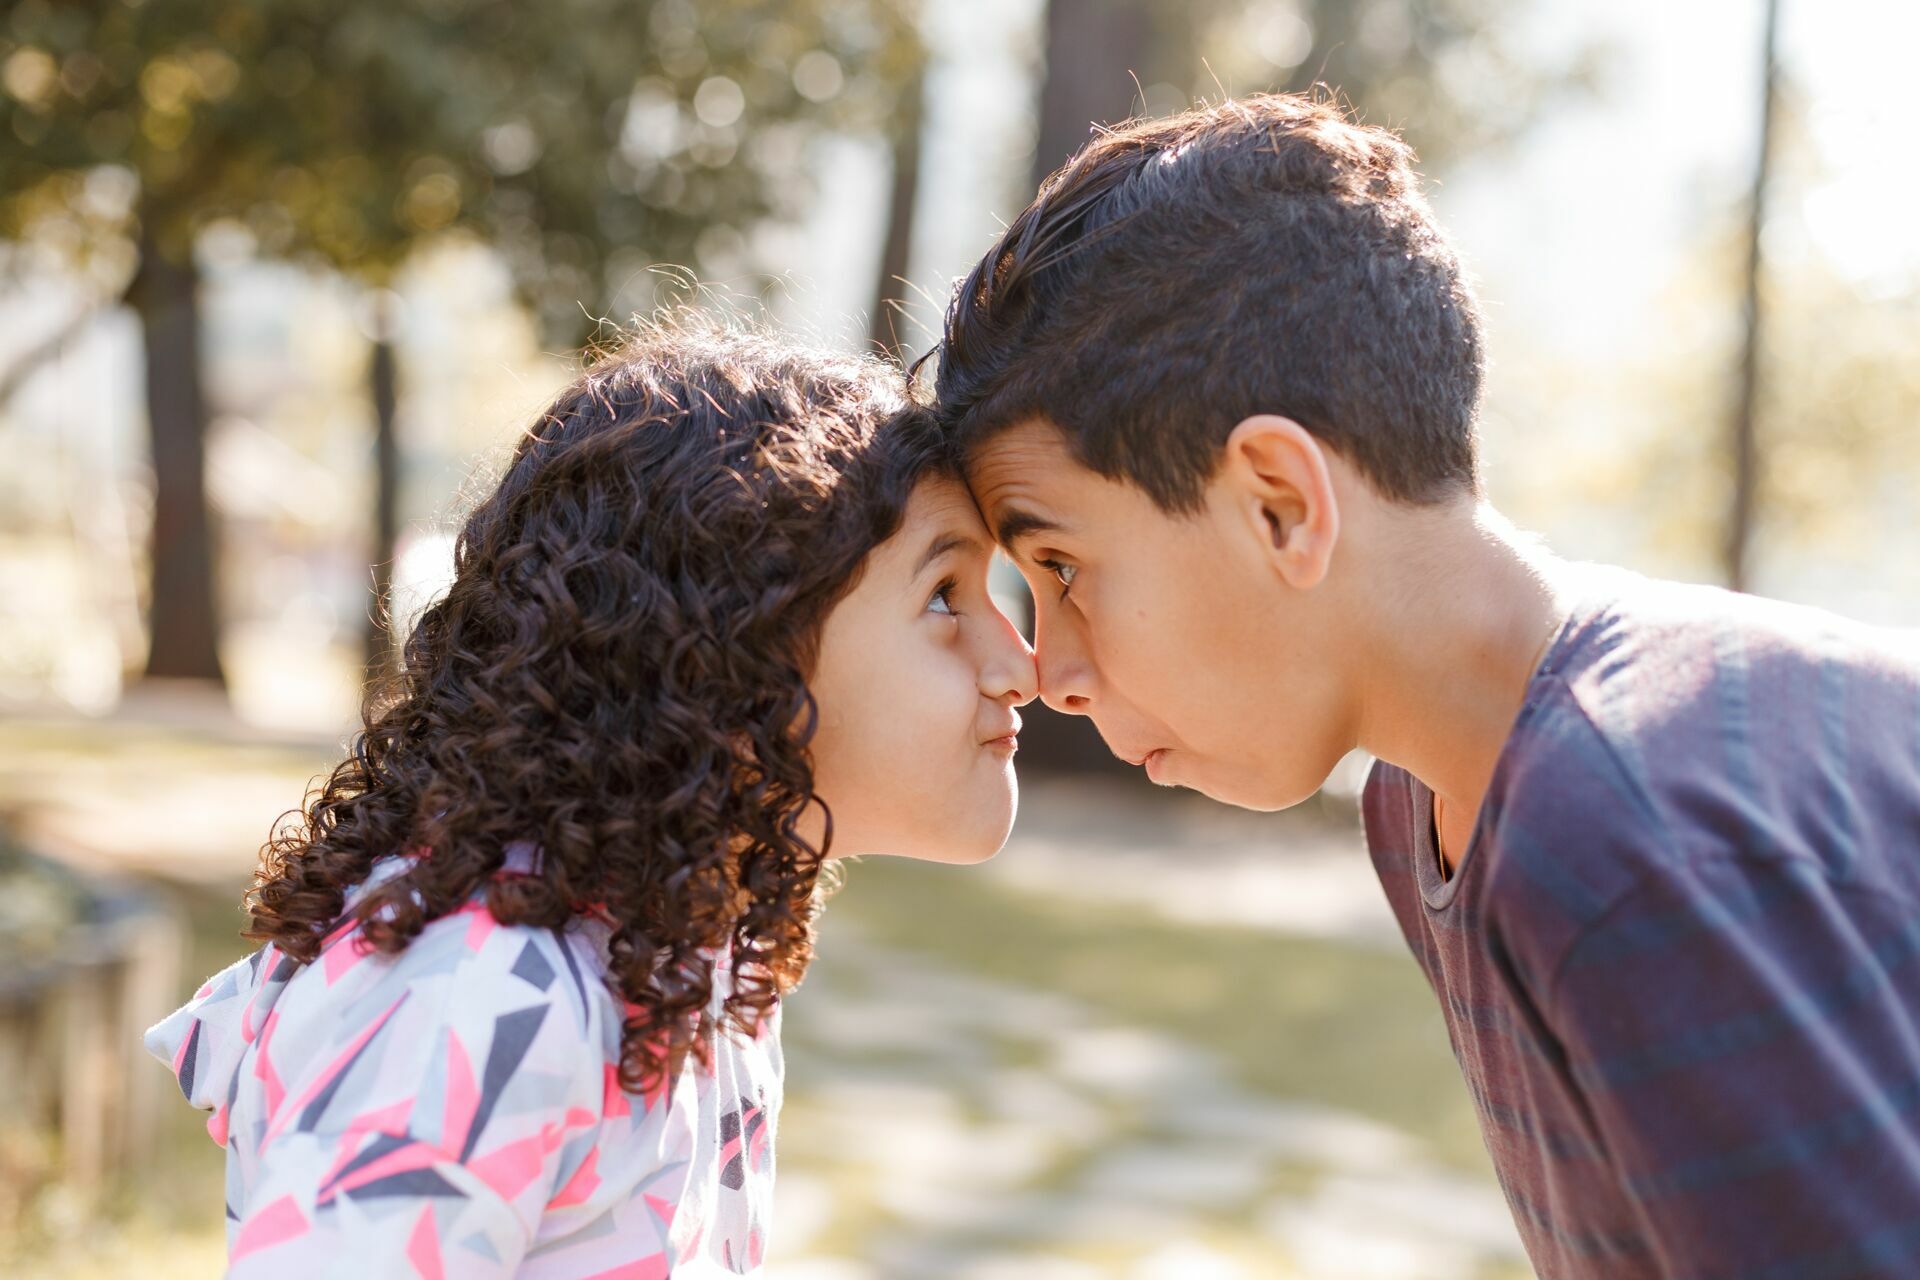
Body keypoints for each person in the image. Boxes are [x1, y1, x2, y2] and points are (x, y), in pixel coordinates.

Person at [929, 92, 1920, 1277]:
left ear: (1280, 505)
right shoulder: (1427, 804)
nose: (1052, 670)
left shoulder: (1623, 825)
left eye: (1064, 568)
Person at [146, 323, 1036, 1278]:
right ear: (728, 657)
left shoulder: (691, 952)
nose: (1019, 665)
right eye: (945, 595)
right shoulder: (478, 1005)